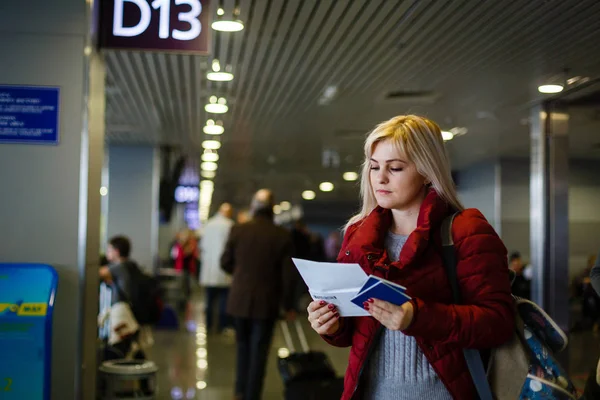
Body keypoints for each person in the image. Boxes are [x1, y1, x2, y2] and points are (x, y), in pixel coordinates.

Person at [306, 115, 514, 399]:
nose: (380, 177)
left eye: (395, 168)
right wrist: (331, 325)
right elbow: (356, 332)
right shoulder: (359, 234)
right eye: (374, 166)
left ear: (427, 172)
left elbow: (498, 322)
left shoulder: (465, 229)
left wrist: (416, 316)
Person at [221, 189, 296, 400]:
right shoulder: (282, 235)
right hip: (267, 302)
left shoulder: (238, 230)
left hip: (239, 299)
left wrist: (240, 275)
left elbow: (224, 262)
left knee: (242, 348)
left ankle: (239, 391)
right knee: (259, 352)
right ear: (273, 208)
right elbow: (288, 276)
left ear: (254, 207)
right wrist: (288, 305)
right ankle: (252, 395)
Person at [99, 236, 144, 360]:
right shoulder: (131, 265)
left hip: (121, 313)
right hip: (131, 312)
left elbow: (97, 272)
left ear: (116, 251)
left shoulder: (118, 267)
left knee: (117, 349)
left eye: (109, 249)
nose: (107, 252)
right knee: (131, 346)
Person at [200, 203, 235, 334]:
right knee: (224, 300)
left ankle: (209, 325)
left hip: (209, 270)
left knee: (209, 300)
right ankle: (222, 326)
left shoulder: (208, 225)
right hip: (223, 269)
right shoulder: (229, 225)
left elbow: (202, 246)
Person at [172, 228, 199, 307]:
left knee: (188, 287)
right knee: (181, 286)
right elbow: (178, 256)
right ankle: (181, 303)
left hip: (189, 269)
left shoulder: (191, 245)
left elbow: (194, 255)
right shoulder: (178, 246)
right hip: (180, 269)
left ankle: (186, 303)